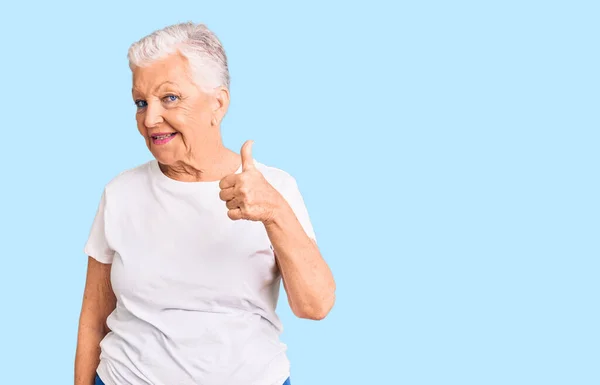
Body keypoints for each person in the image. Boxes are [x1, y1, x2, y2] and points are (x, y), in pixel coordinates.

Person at [74, 22, 336, 385]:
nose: (150, 120)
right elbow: (93, 316)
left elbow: (315, 305)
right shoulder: (121, 193)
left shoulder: (274, 187)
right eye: (140, 102)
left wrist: (274, 213)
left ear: (218, 102)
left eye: (170, 98)